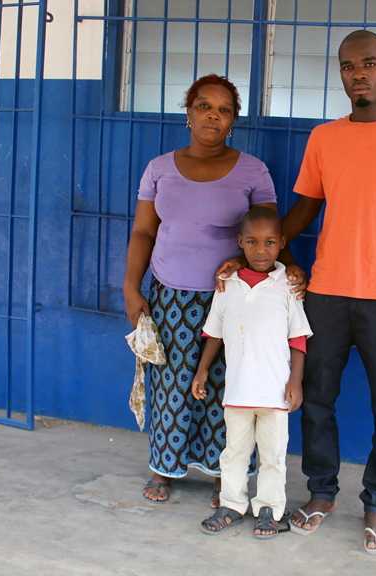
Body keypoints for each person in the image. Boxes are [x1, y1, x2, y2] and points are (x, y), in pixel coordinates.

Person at [218, 30, 376, 554]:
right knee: (317, 399)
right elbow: (303, 210)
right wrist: (261, 253)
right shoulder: (325, 138)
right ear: (341, 74)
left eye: (369, 64)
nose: (359, 74)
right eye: (348, 67)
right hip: (323, 296)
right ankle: (322, 493)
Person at [124, 74, 285, 506]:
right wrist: (130, 287)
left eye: (225, 109)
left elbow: (265, 233)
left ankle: (224, 473)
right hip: (169, 295)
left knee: (224, 382)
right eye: (204, 106)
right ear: (189, 111)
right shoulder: (160, 168)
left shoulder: (253, 171)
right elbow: (143, 231)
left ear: (234, 120)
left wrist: (242, 260)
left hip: (231, 297)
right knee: (171, 380)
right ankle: (164, 466)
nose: (214, 115)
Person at [191, 207, 312, 539]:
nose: (262, 250)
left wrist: (295, 381)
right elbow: (213, 333)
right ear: (240, 242)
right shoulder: (227, 285)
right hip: (238, 392)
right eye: (254, 242)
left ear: (282, 243)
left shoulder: (287, 285)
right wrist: (202, 370)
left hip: (275, 393)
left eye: (271, 242)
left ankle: (269, 509)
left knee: (273, 455)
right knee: (234, 452)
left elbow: (298, 338)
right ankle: (231, 504)